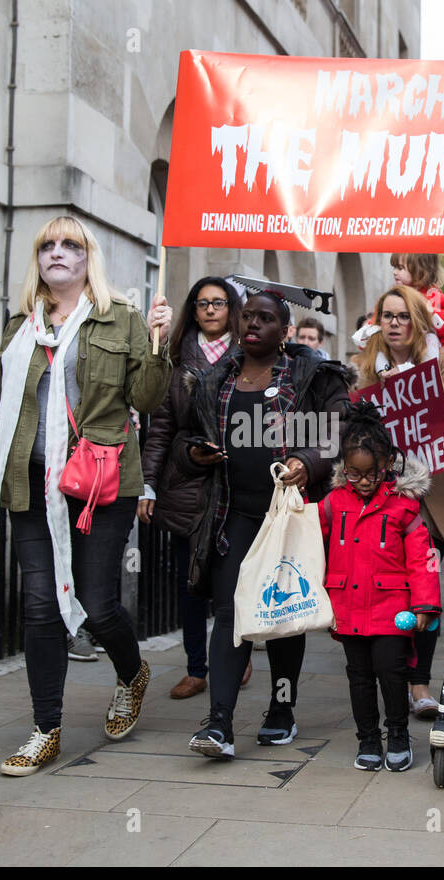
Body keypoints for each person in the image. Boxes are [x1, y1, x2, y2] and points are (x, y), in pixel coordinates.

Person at [0, 214, 171, 775]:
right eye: (47, 245)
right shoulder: (18, 327)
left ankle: (131, 674)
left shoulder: (121, 319)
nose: (57, 252)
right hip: (29, 481)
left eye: (70, 245)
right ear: (38, 260)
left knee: (98, 603)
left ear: (86, 258)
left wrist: (158, 344)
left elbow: (146, 400)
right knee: (39, 605)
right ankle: (44, 729)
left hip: (98, 480)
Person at [180, 291, 351, 758]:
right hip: (232, 511)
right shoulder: (217, 378)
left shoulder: (310, 374)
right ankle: (219, 725)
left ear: (285, 330)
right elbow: (186, 435)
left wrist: (308, 461)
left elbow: (337, 430)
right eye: (247, 316)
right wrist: (195, 453)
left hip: (287, 516)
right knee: (231, 611)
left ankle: (281, 710)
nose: (252, 324)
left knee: (282, 616)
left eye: (265, 318)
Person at [355, 285, 444, 715]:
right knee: (388, 592)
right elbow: (353, 426)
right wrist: (379, 399)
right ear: (378, 321)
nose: (396, 324)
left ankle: (420, 685)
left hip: (430, 492)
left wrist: (416, 387)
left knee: (426, 593)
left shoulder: (442, 358)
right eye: (388, 316)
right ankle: (392, 678)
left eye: (404, 316)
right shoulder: (366, 363)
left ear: (418, 321)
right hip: (382, 494)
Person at [139, 276, 252, 699]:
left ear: (231, 309)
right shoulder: (176, 357)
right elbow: (162, 426)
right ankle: (195, 667)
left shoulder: (249, 355)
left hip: (237, 482)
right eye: (202, 302)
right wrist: (148, 484)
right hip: (187, 482)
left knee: (237, 578)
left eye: (218, 302)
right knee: (190, 581)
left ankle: (238, 652)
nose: (209, 310)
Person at [320, 402, 439, 771]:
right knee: (359, 677)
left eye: (372, 473)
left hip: (392, 609)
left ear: (388, 464)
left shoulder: (404, 506)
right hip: (348, 606)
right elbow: (311, 544)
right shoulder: (333, 503)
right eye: (354, 474)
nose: (365, 481)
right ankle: (368, 739)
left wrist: (424, 606)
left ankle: (398, 734)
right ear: (344, 469)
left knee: (392, 671)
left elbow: (423, 559)